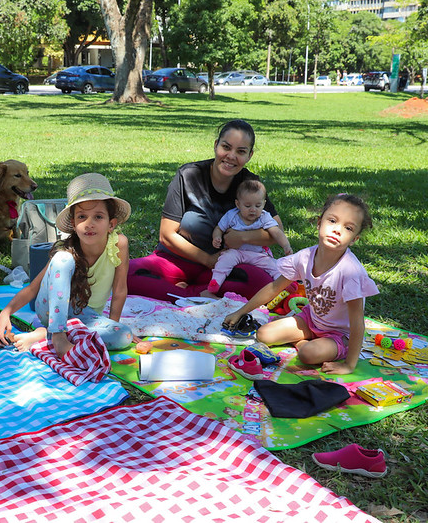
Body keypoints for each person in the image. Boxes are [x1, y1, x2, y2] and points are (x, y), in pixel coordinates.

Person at [127, 119, 284, 302]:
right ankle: (194, 295)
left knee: (261, 282)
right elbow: (166, 235)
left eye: (241, 151)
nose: (231, 156)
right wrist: (208, 260)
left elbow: (277, 232)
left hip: (225, 266)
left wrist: (242, 238)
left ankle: (181, 293)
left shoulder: (250, 185)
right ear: (216, 145)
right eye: (226, 147)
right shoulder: (188, 175)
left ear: (249, 155)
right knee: (126, 274)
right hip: (177, 261)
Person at [223, 194, 378, 375]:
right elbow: (274, 288)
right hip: (310, 320)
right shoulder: (304, 257)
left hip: (339, 335)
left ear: (354, 239)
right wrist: (240, 311)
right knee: (264, 334)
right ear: (319, 223)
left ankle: (307, 345)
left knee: (308, 354)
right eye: (333, 221)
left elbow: (357, 322)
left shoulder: (351, 272)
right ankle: (305, 339)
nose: (337, 230)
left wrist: (349, 365)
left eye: (348, 228)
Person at [0, 173, 133, 356]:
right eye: (82, 217)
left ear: (111, 224)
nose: (90, 224)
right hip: (50, 311)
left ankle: (44, 335)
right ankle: (57, 336)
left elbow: (120, 290)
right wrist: (6, 312)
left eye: (98, 217)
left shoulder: (119, 244)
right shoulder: (67, 250)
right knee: (62, 259)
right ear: (73, 224)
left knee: (124, 336)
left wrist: (114, 325)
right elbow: (33, 287)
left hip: (86, 318)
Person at [203, 179, 293, 297]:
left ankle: (285, 283)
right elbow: (219, 228)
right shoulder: (232, 215)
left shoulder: (264, 217)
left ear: (264, 204)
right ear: (238, 204)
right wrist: (217, 237)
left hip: (258, 254)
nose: (253, 209)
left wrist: (286, 245)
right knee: (224, 261)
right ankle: (216, 282)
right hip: (236, 252)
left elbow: (276, 232)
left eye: (258, 205)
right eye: (247, 205)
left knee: (273, 265)